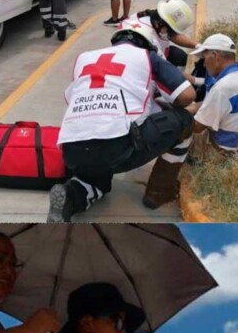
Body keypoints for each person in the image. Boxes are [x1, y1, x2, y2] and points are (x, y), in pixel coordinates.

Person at [46, 22, 196, 222]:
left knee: (96, 180)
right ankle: (159, 191)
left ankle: (70, 197)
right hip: (116, 149)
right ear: (147, 45)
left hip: (72, 150)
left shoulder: (84, 58)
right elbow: (187, 95)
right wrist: (196, 108)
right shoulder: (147, 57)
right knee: (184, 120)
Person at [185, 34, 238, 156]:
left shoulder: (222, 87)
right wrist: (189, 109)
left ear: (215, 56)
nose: (203, 64)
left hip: (223, 151)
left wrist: (175, 116)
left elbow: (197, 127)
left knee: (175, 133)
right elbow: (209, 104)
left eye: (205, 58)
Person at [128, 0, 199, 68]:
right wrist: (196, 80)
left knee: (179, 56)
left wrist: (197, 46)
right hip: (140, 65)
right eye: (170, 31)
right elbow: (165, 70)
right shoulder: (148, 39)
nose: (171, 35)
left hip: (149, 55)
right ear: (160, 23)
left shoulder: (156, 16)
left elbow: (173, 36)